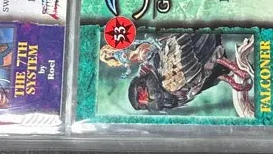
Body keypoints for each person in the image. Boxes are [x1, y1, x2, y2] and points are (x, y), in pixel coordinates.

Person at [100, 31, 254, 115]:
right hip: (209, 69)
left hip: (205, 46)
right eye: (143, 103)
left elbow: (205, 59)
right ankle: (228, 75)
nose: (146, 98)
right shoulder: (167, 98)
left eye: (142, 93)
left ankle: (231, 71)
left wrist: (234, 70)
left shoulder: (166, 80)